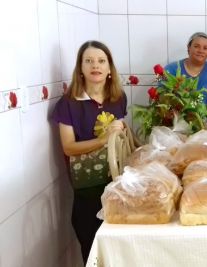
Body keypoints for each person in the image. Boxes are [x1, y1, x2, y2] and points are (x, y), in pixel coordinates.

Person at [52, 40, 126, 264]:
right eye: (89, 61)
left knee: (117, 251)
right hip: (87, 191)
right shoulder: (68, 104)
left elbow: (121, 137)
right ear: (81, 68)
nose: (96, 66)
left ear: (109, 68)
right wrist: (102, 139)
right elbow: (68, 147)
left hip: (116, 187)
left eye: (101, 61)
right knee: (93, 250)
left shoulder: (118, 98)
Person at [164, 32, 207, 117]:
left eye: (205, 48)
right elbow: (162, 98)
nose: (201, 51)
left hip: (205, 122)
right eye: (196, 46)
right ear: (188, 48)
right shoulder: (172, 69)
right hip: (176, 121)